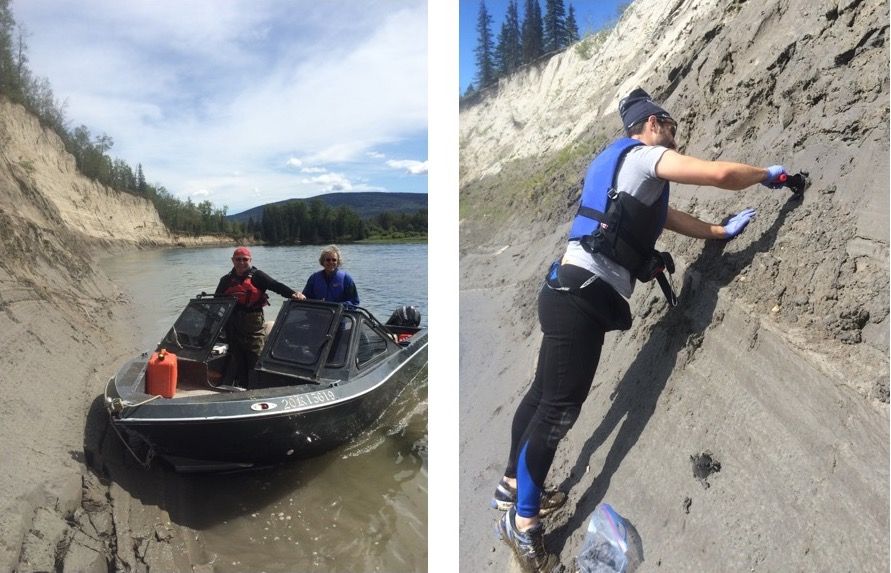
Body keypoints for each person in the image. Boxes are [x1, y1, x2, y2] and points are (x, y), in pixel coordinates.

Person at [495, 87, 793, 571]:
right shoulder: (642, 156)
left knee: (542, 395)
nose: (675, 134)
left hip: (565, 291)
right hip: (582, 299)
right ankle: (522, 521)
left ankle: (510, 485)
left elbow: (668, 219)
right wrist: (766, 175)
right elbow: (719, 174)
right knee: (558, 410)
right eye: (670, 124)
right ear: (651, 124)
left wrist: (719, 233)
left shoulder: (621, 171)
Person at [215, 246, 305, 387]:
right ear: (232, 260)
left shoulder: (258, 276)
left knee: (255, 356)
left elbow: (276, 286)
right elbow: (216, 302)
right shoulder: (225, 280)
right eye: (238, 259)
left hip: (253, 323)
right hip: (232, 324)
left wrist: (293, 294)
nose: (241, 262)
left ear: (250, 260)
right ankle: (241, 387)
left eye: (244, 259)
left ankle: (258, 388)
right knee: (237, 358)